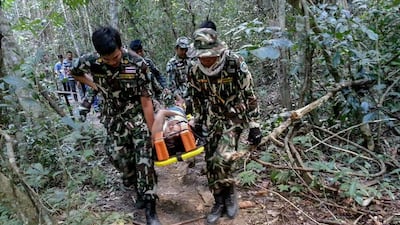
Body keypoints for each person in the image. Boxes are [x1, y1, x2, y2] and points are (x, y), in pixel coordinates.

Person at [70, 26, 161, 225]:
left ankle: (150, 207)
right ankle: (135, 184)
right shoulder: (90, 61)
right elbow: (74, 72)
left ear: (121, 48)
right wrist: (95, 86)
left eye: (116, 57)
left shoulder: (137, 63)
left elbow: (146, 100)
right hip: (113, 117)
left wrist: (154, 131)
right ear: (98, 54)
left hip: (136, 115)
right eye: (107, 59)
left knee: (144, 160)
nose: (112, 62)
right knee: (118, 156)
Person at [187, 28, 262, 225]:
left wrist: (254, 125)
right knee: (211, 162)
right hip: (212, 119)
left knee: (223, 158)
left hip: (234, 117)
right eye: (202, 57)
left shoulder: (234, 63)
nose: (206, 61)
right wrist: (198, 122)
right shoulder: (194, 70)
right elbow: (197, 99)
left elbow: (249, 93)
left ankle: (230, 195)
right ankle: (219, 200)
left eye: (209, 56)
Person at [129, 39, 166, 111]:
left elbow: (158, 75)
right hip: (140, 100)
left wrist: (164, 87)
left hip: (154, 95)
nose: (139, 54)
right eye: (137, 52)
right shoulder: (129, 67)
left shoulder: (148, 62)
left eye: (141, 51)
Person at [165, 36, 191, 105]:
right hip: (181, 95)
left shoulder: (190, 60)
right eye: (181, 49)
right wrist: (180, 99)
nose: (184, 52)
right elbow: (171, 86)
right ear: (176, 49)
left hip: (192, 92)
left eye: (186, 49)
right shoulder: (172, 64)